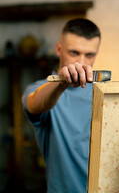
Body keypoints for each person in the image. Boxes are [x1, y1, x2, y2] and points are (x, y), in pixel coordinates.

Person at [22, 18, 101, 193]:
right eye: (74, 52)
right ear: (59, 49)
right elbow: (35, 103)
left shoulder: (104, 94)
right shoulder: (40, 89)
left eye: (89, 55)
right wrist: (61, 83)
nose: (81, 62)